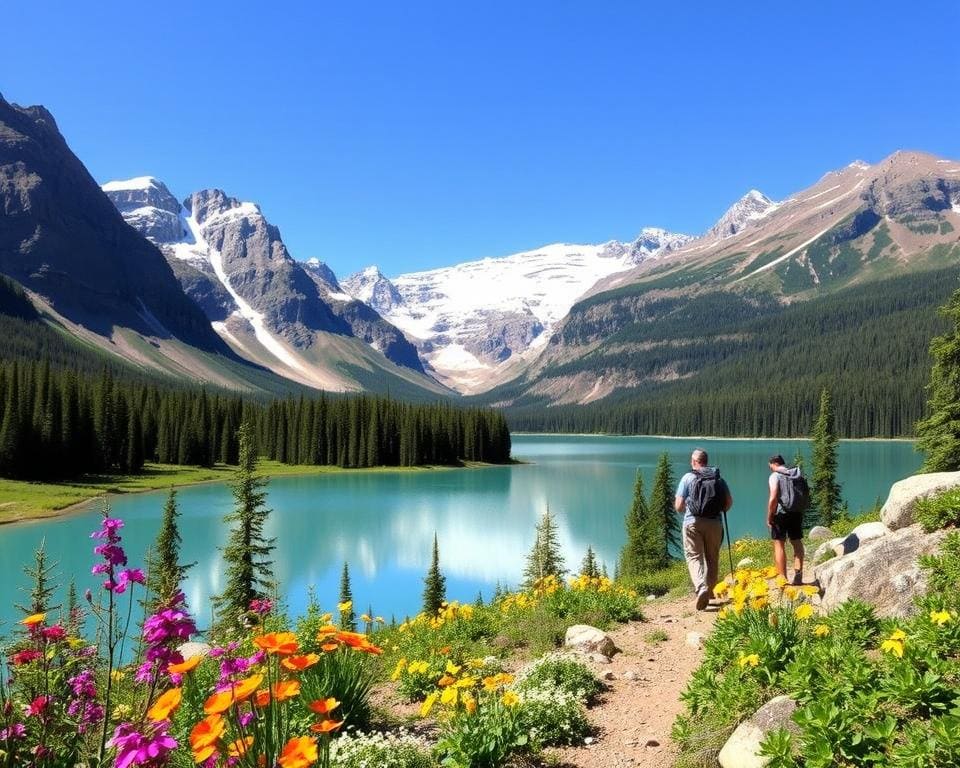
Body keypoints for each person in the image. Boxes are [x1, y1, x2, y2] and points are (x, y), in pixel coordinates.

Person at [674, 448, 733, 610]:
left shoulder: (688, 478)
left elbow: (678, 506)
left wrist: (688, 507)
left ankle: (701, 588)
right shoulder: (718, 479)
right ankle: (710, 591)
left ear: (694, 462)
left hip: (692, 522)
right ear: (706, 461)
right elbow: (728, 503)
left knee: (694, 557)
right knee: (712, 559)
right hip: (714, 523)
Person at [767, 454, 805, 584]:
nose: (770, 468)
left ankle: (782, 578)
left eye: (770, 466)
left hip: (781, 514)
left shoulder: (775, 476)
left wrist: (770, 516)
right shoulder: (795, 474)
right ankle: (799, 573)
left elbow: (773, 498)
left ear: (774, 464)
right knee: (796, 542)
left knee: (779, 544)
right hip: (796, 512)